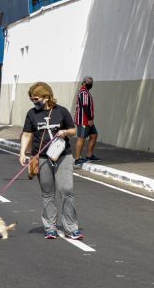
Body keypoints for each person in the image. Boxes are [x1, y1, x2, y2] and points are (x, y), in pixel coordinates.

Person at [19, 81, 83, 240]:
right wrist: (22, 153)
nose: (34, 102)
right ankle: (50, 227)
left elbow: (73, 130)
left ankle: (71, 228)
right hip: (42, 157)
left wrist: (65, 132)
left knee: (66, 190)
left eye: (36, 99)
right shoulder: (32, 114)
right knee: (47, 193)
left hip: (63, 156)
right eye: (32, 99)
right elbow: (27, 134)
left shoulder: (61, 111)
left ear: (46, 97)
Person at [74, 76, 99, 166]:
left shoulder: (86, 92)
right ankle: (77, 159)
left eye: (91, 82)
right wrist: (89, 119)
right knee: (81, 138)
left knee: (94, 135)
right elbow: (85, 106)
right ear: (84, 82)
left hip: (88, 120)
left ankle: (89, 155)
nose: (90, 84)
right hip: (83, 120)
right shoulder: (84, 92)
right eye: (89, 82)